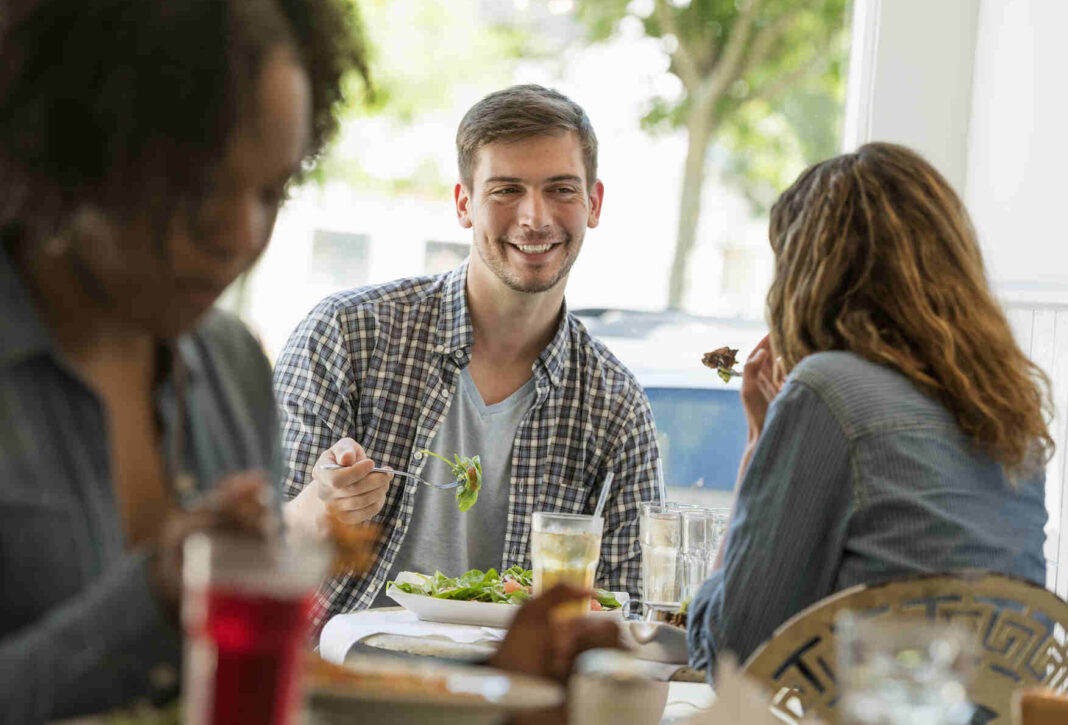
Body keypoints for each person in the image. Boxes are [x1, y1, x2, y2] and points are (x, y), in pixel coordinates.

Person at [0, 3, 616, 722]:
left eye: (272, 191)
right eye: (200, 186)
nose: (241, 233)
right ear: (79, 144)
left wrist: (496, 687)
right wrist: (156, 596)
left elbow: (270, 689)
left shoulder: (226, 367)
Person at [275, 84, 662, 627]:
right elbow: (256, 549)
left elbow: (630, 613)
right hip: (335, 682)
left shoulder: (614, 406)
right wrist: (324, 505)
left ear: (593, 203)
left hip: (509, 701)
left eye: (561, 190)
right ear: (464, 204)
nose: (535, 217)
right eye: (506, 189)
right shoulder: (347, 334)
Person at [686, 143, 1052, 673]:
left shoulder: (827, 388)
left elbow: (732, 652)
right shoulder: (1006, 406)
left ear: (809, 276)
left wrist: (756, 449)